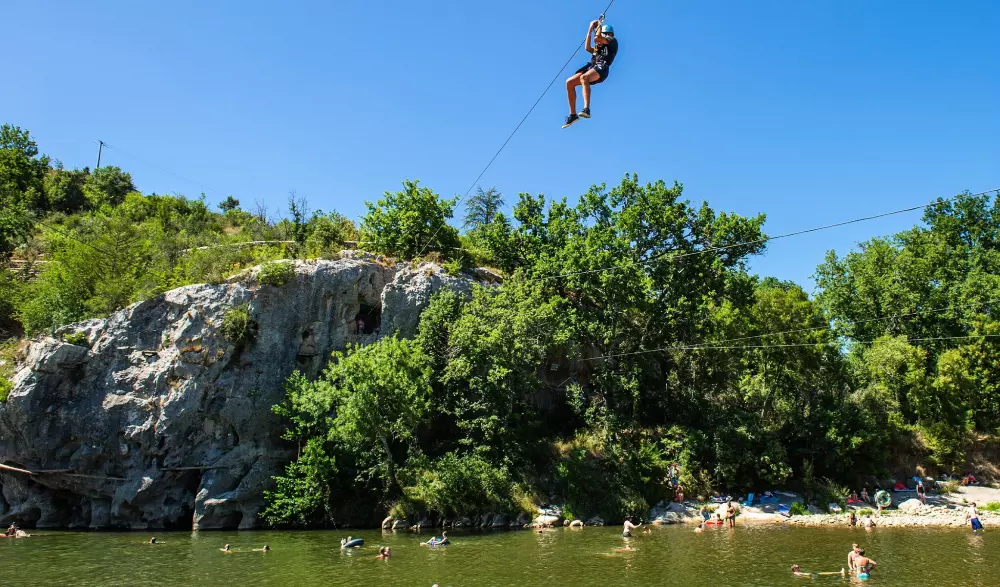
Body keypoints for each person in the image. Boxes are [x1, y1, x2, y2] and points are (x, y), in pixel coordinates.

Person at [563, 19, 619, 128]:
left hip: (602, 67)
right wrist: (589, 29)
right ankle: (573, 115)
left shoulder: (612, 41)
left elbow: (597, 38)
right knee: (569, 82)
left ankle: (586, 109)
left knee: (584, 77)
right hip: (592, 67)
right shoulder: (599, 48)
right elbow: (587, 47)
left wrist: (598, 26)